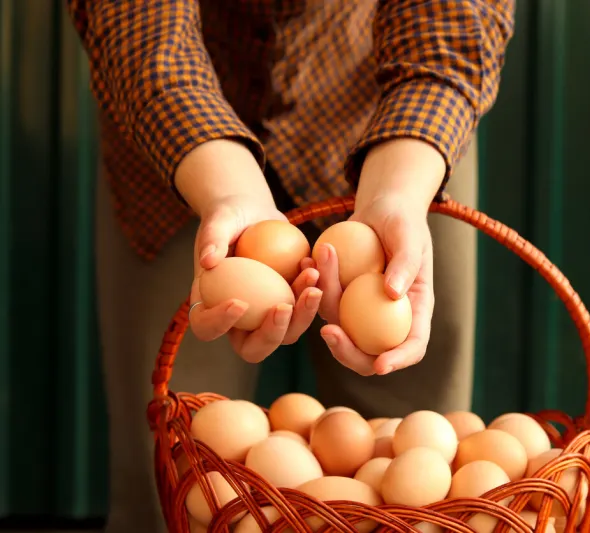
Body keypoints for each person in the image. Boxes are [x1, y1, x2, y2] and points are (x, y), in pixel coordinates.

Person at [67, 1, 515, 531]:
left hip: (392, 121)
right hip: (174, 128)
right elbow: (135, 19)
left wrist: (399, 189)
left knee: (413, 451)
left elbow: (453, 19)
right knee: (177, 465)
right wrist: (226, 189)